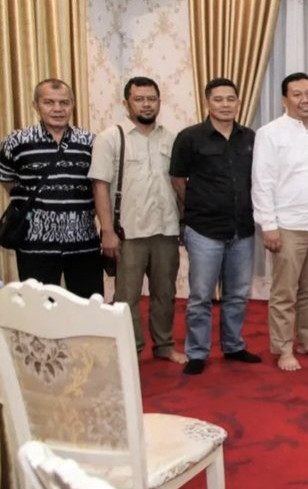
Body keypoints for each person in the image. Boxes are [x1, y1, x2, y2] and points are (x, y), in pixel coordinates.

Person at [89, 76, 185, 364]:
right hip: (128, 232)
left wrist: (184, 222)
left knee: (165, 293)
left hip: (166, 230)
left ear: (159, 102)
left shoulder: (172, 138)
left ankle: (165, 345)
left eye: (151, 99)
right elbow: (100, 186)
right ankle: (131, 349)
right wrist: (107, 230)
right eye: (139, 99)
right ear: (126, 103)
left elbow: (179, 183)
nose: (146, 104)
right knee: (126, 298)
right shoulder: (111, 137)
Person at [170, 78, 261, 375]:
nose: (225, 105)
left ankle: (233, 345)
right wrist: (196, 206)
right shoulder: (190, 137)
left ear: (238, 102)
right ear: (207, 102)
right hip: (204, 228)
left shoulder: (250, 137)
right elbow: (178, 179)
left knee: (237, 293)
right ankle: (197, 352)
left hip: (242, 228)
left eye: (230, 99)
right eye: (219, 99)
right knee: (200, 295)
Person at [252, 73, 308, 371]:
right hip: (287, 225)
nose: (306, 100)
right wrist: (269, 225)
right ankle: (283, 347)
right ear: (284, 100)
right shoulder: (269, 133)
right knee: (284, 292)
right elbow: (262, 182)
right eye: (298, 94)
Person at [0, 79, 101, 298]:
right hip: (34, 244)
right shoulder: (17, 141)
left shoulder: (90, 142)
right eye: (49, 102)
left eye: (64, 103)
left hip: (83, 243)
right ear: (36, 105)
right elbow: (7, 180)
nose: (58, 109)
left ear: (73, 105)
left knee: (89, 309)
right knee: (39, 313)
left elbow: (98, 188)